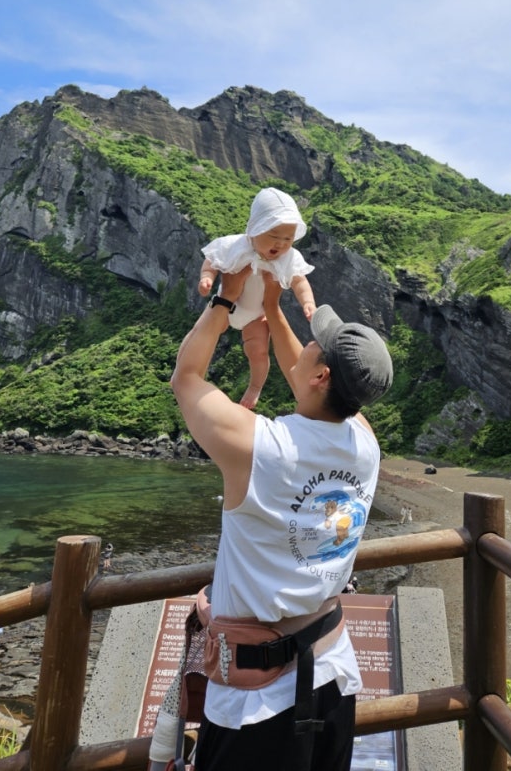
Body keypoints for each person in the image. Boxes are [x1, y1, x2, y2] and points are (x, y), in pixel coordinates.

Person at [148, 267, 393, 771]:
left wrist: (225, 301)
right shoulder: (365, 442)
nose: (306, 345)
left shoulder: (259, 445)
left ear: (321, 376)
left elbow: (186, 378)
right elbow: (307, 378)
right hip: (332, 670)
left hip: (257, 703)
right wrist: (273, 309)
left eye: (314, 344)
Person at [198, 187, 316, 409]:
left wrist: (308, 302)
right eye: (274, 236)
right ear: (254, 230)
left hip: (257, 316)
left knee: (258, 352)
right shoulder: (236, 246)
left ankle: (255, 386)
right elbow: (213, 260)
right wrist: (206, 277)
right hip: (227, 305)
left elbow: (300, 282)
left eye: (288, 238)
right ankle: (191, 371)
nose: (281, 244)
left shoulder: (288, 258)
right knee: (205, 334)